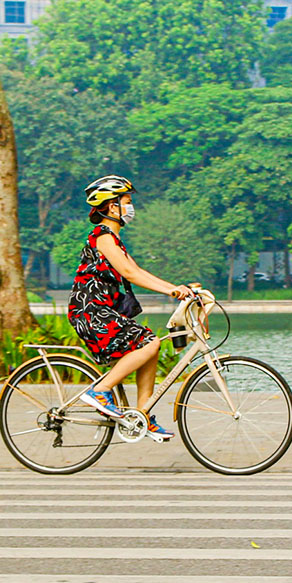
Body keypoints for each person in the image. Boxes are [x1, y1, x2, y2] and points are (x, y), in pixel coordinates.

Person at [69, 174, 206, 442]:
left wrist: (177, 288)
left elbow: (138, 271)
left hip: (103, 310)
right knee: (149, 343)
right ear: (112, 207)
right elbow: (129, 273)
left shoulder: (114, 240)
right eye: (127, 201)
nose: (131, 208)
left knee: (150, 345)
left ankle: (142, 414)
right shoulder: (103, 237)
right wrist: (171, 291)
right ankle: (100, 390)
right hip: (91, 311)